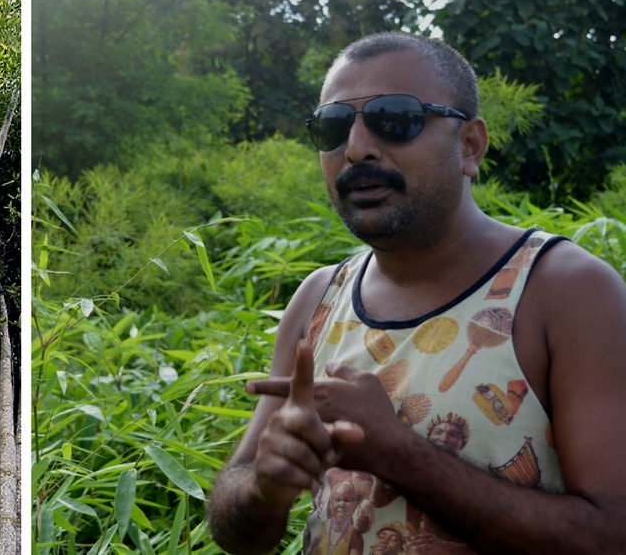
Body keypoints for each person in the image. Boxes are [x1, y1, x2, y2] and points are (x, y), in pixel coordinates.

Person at [205, 32, 626, 554]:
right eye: (334, 126)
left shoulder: (566, 293)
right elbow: (237, 533)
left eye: (395, 119)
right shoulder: (318, 299)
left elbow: (612, 534)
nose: (356, 147)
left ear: (469, 145)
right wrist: (266, 487)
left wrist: (397, 452)